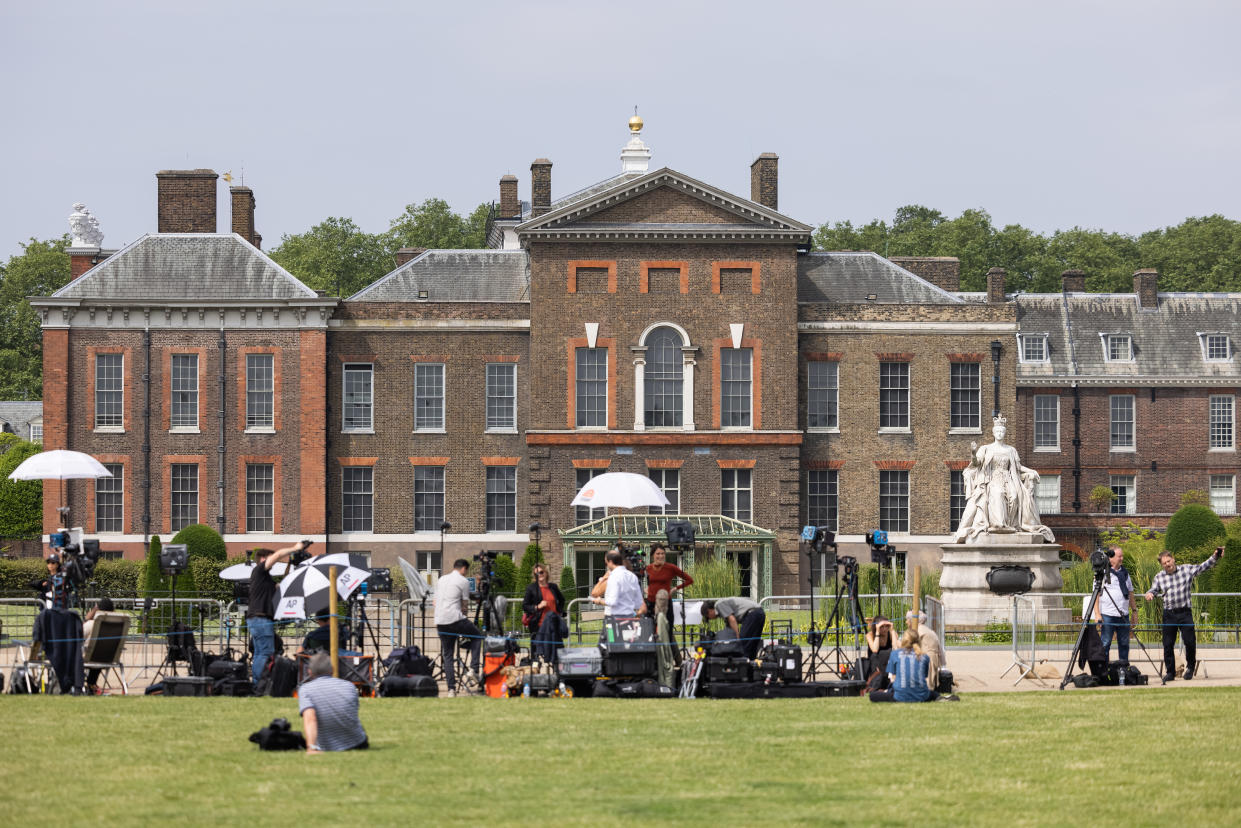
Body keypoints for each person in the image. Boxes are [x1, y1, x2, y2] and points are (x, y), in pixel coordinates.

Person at [955, 415, 1054, 543]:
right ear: (993, 433)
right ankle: (999, 525)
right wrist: (973, 453)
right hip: (992, 479)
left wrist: (1031, 471)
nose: (1000, 433)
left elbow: (1018, 468)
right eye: (997, 431)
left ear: (1005, 433)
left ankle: (1010, 525)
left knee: (1014, 495)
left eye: (1002, 431)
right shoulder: (986, 448)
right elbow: (976, 463)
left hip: (1009, 479)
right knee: (998, 493)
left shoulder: (1011, 450)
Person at [1144, 546, 1223, 681]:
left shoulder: (1186, 570)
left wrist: (1215, 556)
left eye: (1169, 561)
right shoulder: (1159, 577)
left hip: (1185, 613)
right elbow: (1154, 589)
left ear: (1173, 559)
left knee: (1190, 642)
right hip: (1169, 614)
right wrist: (1150, 593)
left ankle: (1190, 667)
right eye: (1164, 563)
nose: (1167, 564)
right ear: (1162, 565)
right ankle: (1170, 672)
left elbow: (1203, 567)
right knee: (1167, 644)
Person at [247, 540, 309, 687]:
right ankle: (260, 685)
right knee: (265, 653)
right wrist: (295, 548)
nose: (273, 561)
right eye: (270, 558)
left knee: (259, 653)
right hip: (261, 619)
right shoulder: (260, 571)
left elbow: (280, 587)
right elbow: (279, 554)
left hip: (258, 619)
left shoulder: (264, 578)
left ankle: (257, 684)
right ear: (263, 559)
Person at [30, 552, 85, 694]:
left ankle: (60, 682)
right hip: (47, 618)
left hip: (59, 618)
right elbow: (33, 584)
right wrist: (42, 583)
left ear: (58, 564)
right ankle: (50, 682)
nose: (50, 565)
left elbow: (74, 588)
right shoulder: (48, 581)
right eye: (49, 563)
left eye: (53, 563)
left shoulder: (62, 580)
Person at [299, 653, 368, 754]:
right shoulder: (349, 686)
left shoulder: (305, 690)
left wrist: (311, 748)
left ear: (309, 671)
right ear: (333, 669)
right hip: (357, 742)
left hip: (325, 746)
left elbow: (310, 718)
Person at [435, 558, 482, 696]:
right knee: (477, 637)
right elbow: (465, 606)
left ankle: (451, 689)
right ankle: (474, 669)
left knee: (448, 655)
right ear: (464, 569)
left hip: (440, 620)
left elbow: (436, 600)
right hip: (455, 618)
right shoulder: (464, 581)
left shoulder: (442, 579)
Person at [869, 630, 955, 702]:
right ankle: (939, 697)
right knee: (931, 693)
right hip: (922, 695)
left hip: (900, 696)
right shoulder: (924, 656)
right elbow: (924, 676)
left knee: (873, 695)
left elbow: (892, 676)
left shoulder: (895, 654)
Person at [1098, 546, 1137, 663]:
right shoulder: (1103, 573)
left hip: (1123, 615)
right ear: (1111, 558)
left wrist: (1134, 611)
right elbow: (1096, 595)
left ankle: (1123, 669)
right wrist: (1097, 613)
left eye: (1122, 556)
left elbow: (1130, 592)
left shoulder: (1125, 573)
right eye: (1119, 556)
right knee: (1105, 643)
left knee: (1124, 643)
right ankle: (1103, 670)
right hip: (1108, 614)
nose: (1122, 558)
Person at [522, 563, 567, 662]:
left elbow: (562, 600)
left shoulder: (553, 587)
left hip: (554, 625)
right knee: (537, 653)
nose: (539, 575)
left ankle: (556, 673)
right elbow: (525, 606)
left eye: (541, 572)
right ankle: (536, 674)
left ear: (546, 573)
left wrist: (559, 611)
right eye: (536, 574)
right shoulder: (531, 588)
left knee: (556, 652)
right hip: (538, 626)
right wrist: (537, 607)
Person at [701, 596, 766, 659]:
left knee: (743, 644)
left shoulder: (719, 605)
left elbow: (732, 620)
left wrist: (737, 638)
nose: (710, 619)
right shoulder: (722, 609)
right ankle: (751, 665)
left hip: (752, 614)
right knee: (752, 645)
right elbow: (729, 628)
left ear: (709, 611)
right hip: (759, 613)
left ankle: (743, 667)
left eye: (708, 617)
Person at [644, 544, 693, 628]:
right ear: (653, 556)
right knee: (650, 630)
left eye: (663, 553)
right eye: (658, 554)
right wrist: (646, 589)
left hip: (666, 603)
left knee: (667, 629)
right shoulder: (648, 568)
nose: (661, 556)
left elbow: (689, 580)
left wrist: (675, 588)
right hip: (651, 603)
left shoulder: (671, 568)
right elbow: (636, 580)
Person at [591, 550, 645, 618]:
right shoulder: (632, 576)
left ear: (610, 562)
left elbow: (612, 601)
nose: (607, 566)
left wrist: (600, 601)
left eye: (606, 563)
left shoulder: (613, 576)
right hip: (630, 616)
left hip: (614, 617)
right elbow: (639, 603)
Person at [905, 610, 947, 690]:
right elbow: (940, 649)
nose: (906, 622)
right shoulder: (929, 631)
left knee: (926, 685)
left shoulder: (919, 631)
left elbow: (908, 645)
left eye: (907, 619)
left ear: (912, 621)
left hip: (926, 659)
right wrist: (942, 662)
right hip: (932, 659)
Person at [83, 597, 116, 693]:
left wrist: (87, 618)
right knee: (99, 652)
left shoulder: (91, 624)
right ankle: (91, 683)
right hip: (107, 658)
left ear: (97, 610)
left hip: (89, 658)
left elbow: (77, 635)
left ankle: (79, 684)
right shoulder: (117, 624)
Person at [865, 614, 898, 680]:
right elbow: (875, 650)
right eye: (882, 627)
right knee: (875, 655)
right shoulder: (870, 635)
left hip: (887, 663)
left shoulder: (891, 634)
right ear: (876, 626)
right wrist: (877, 632)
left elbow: (895, 648)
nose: (885, 629)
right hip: (876, 664)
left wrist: (892, 630)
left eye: (887, 626)